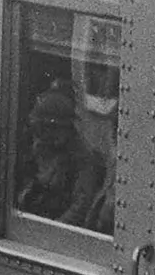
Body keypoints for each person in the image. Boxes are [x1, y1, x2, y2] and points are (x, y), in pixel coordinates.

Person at [15, 88, 108, 230]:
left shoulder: (83, 160)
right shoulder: (35, 150)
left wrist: (50, 232)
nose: (39, 136)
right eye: (37, 129)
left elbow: (80, 208)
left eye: (44, 129)